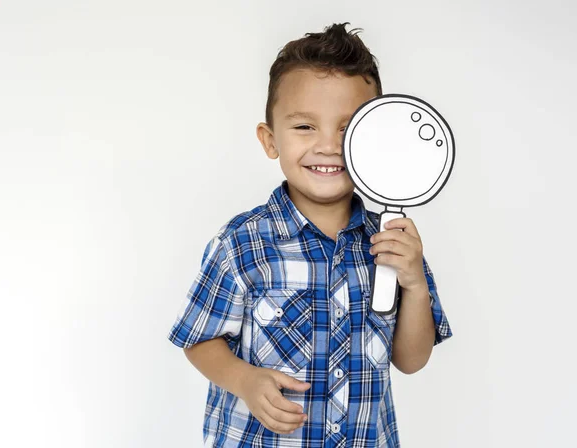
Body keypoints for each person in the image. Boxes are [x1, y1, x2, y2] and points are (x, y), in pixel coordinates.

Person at [167, 22, 453, 447]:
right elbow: (199, 339)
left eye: (348, 128)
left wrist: (413, 284)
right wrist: (245, 380)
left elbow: (411, 361)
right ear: (270, 140)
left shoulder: (394, 244)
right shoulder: (243, 244)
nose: (328, 146)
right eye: (304, 127)